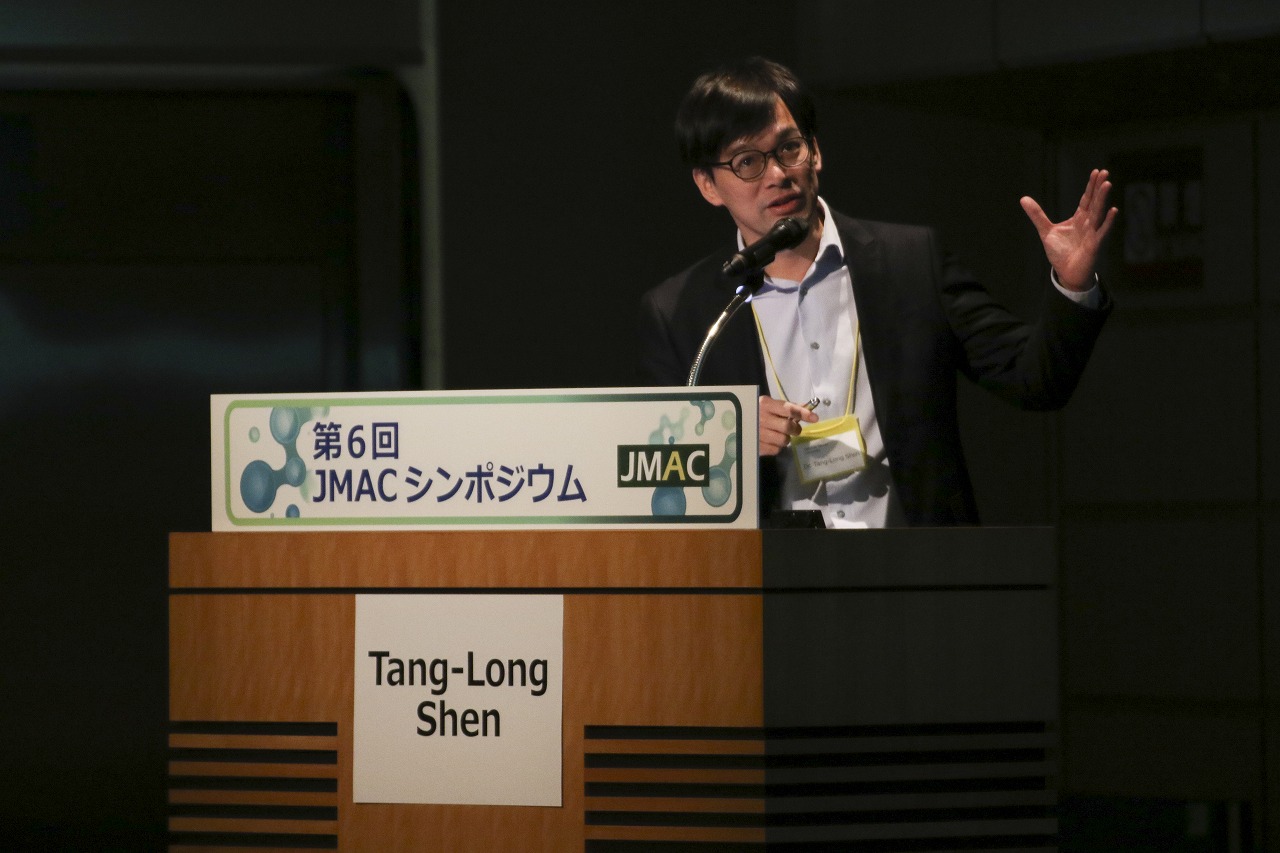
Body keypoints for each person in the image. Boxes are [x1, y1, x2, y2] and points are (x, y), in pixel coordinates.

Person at [637, 57, 1116, 527]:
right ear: (708, 185)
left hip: (914, 567)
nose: (778, 174)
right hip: (767, 573)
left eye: (789, 148)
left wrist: (1073, 284)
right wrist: (728, 437)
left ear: (815, 152)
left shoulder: (911, 263)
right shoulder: (683, 312)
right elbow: (656, 479)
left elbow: (1035, 380)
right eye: (747, 162)